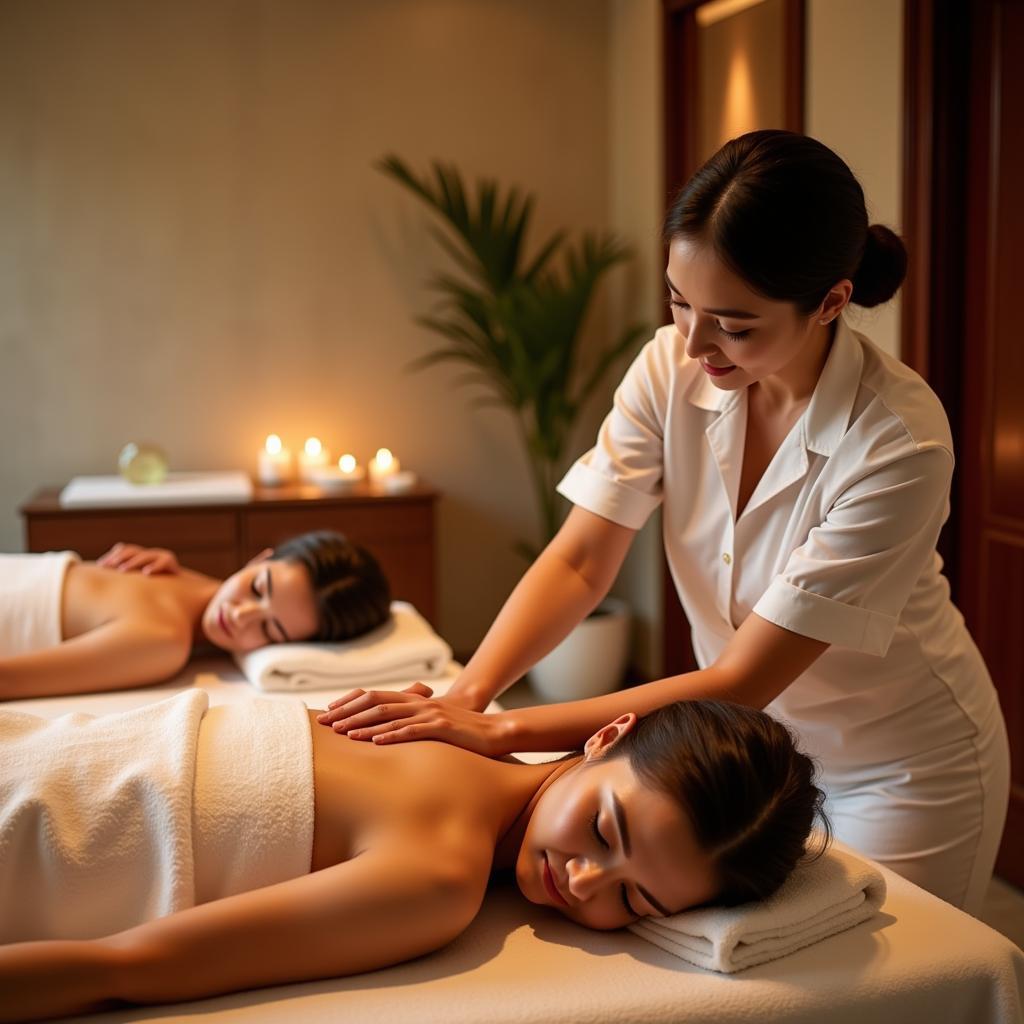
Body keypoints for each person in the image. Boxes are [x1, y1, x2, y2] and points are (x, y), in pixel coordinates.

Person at [317, 129, 1010, 917]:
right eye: (680, 303)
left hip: (897, 765)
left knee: (882, 986)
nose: (694, 342)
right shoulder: (669, 367)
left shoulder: (898, 441)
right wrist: (470, 695)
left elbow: (744, 678)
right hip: (736, 770)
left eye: (734, 324)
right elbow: (582, 557)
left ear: (831, 302)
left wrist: (500, 735)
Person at [0, 696, 826, 1021]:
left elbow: (130, 965)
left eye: (636, 902)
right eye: (606, 833)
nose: (582, 880)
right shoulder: (438, 869)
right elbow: (124, 968)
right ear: (604, 736)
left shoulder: (440, 864)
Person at [0, 530, 391, 700]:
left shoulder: (162, 640)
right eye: (257, 587)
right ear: (260, 558)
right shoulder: (172, 576)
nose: (241, 616)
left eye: (270, 630)